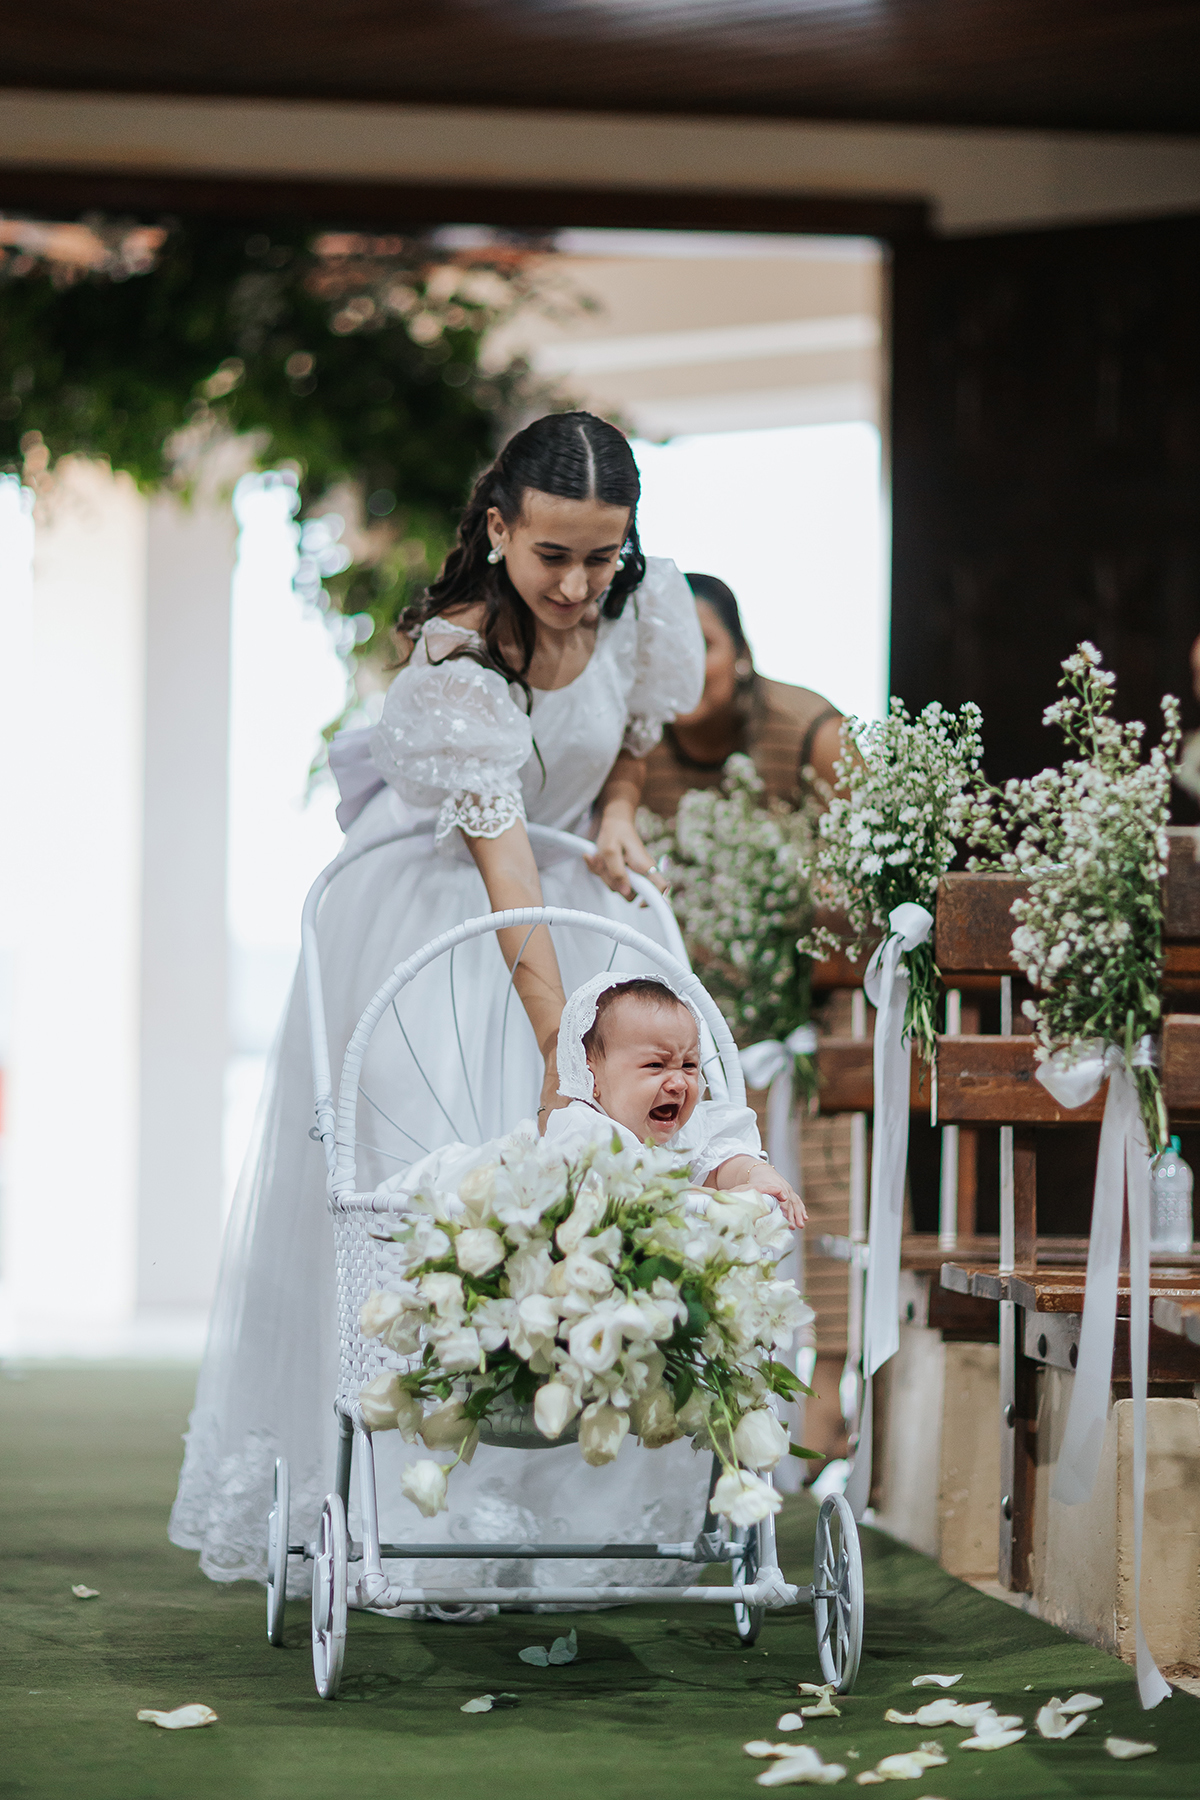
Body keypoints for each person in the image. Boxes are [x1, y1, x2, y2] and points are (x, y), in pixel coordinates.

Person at [170, 412, 707, 1594]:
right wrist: (569, 1057)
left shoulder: (646, 604)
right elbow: (506, 889)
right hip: (452, 924)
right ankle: (421, 1516)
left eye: (600, 558)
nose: (577, 586)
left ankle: (560, 1510)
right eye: (551, 557)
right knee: (442, 1193)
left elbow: (634, 734)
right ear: (499, 529)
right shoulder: (459, 662)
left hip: (567, 901)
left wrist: (620, 811)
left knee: (588, 1210)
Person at [545, 974, 806, 1229]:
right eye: (656, 1065)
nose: (679, 1083)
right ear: (593, 1074)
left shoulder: (688, 1132)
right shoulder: (585, 1132)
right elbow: (639, 1192)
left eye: (689, 1065)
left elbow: (719, 1164)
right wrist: (719, 1197)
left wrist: (755, 1173)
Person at [640, 573, 843, 820]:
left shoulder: (815, 734)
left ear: (742, 654)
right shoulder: (632, 737)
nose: (680, 668)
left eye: (702, 645)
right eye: (663, 647)